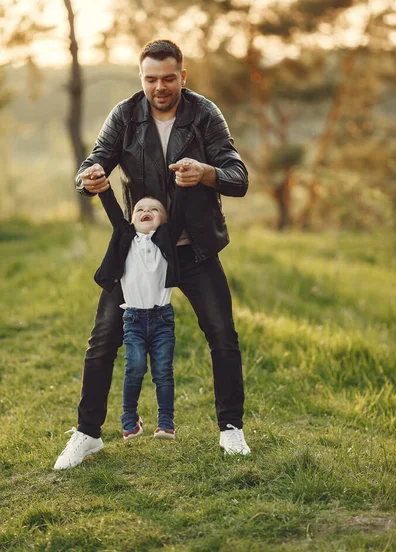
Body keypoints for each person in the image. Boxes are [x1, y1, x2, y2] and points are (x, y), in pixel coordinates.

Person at [54, 39, 250, 470]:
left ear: (183, 75)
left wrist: (206, 173)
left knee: (222, 335)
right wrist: (89, 178)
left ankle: (231, 430)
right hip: (139, 253)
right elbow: (94, 163)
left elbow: (238, 177)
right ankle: (87, 435)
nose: (159, 87)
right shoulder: (125, 115)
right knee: (103, 340)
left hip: (193, 249)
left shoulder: (204, 115)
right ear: (141, 78)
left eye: (168, 78)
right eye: (150, 79)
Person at [95, 184, 187, 443]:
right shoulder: (126, 237)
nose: (146, 211)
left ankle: (166, 423)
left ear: (164, 220)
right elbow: (114, 212)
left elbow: (178, 210)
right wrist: (104, 189)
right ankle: (130, 421)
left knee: (163, 372)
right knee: (134, 368)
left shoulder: (166, 238)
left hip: (162, 319)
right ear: (132, 218)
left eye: (154, 210)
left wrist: (183, 185)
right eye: (140, 210)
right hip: (133, 319)